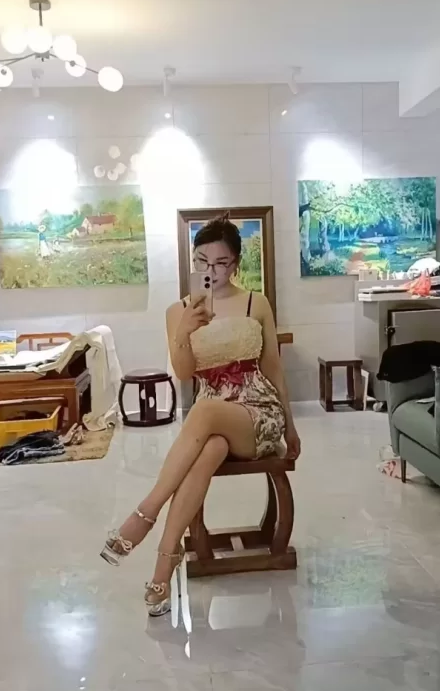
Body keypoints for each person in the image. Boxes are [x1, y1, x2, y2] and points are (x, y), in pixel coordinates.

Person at [100, 216, 301, 615]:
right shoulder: (178, 310)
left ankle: (144, 514)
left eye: (221, 262)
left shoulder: (255, 302)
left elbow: (274, 368)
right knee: (209, 448)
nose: (212, 271)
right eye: (202, 262)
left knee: (205, 411)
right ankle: (165, 561)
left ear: (236, 263)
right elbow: (183, 372)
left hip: (257, 412)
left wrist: (290, 427)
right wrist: (184, 330)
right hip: (212, 419)